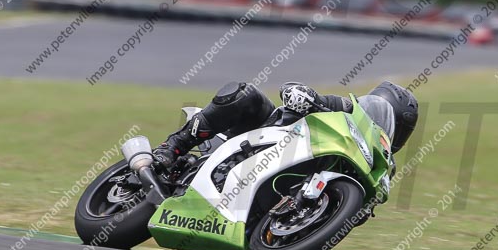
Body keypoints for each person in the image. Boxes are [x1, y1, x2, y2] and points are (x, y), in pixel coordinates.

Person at [153, 81, 419, 167]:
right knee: (245, 93)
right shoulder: (344, 107)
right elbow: (291, 89)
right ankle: (173, 146)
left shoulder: (380, 166)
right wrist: (308, 98)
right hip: (264, 136)